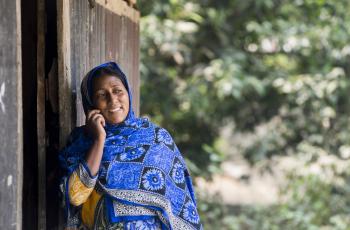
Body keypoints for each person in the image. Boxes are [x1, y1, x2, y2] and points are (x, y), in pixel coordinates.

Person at [59, 62, 202, 230]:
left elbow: (179, 207)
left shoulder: (156, 139)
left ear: (128, 93)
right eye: (101, 95)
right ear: (91, 105)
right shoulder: (81, 142)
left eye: (118, 90)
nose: (113, 99)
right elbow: (75, 196)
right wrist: (99, 139)